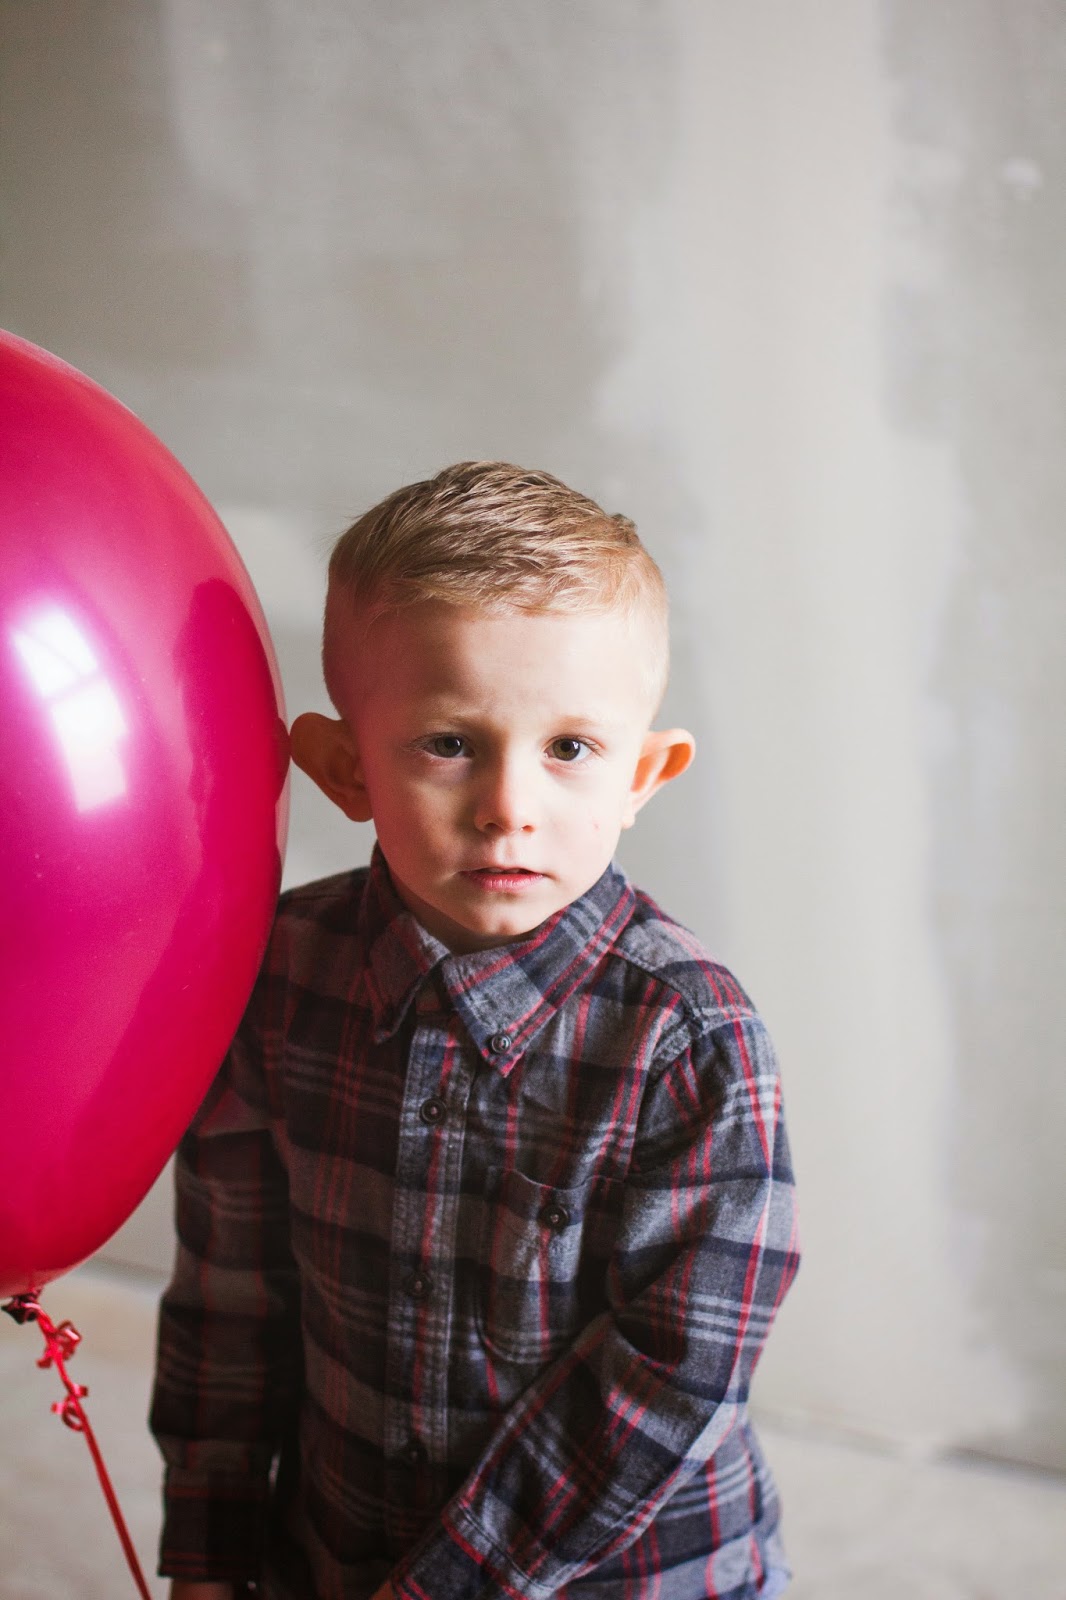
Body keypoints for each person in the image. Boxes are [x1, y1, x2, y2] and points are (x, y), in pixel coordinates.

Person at [150, 461, 800, 1600]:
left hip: (624, 1577)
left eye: (569, 749)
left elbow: (673, 1374)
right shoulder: (276, 976)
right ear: (345, 766)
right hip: (337, 1548)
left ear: (643, 773)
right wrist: (211, 1555)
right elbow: (231, 1298)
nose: (509, 806)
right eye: (449, 743)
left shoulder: (690, 1038)